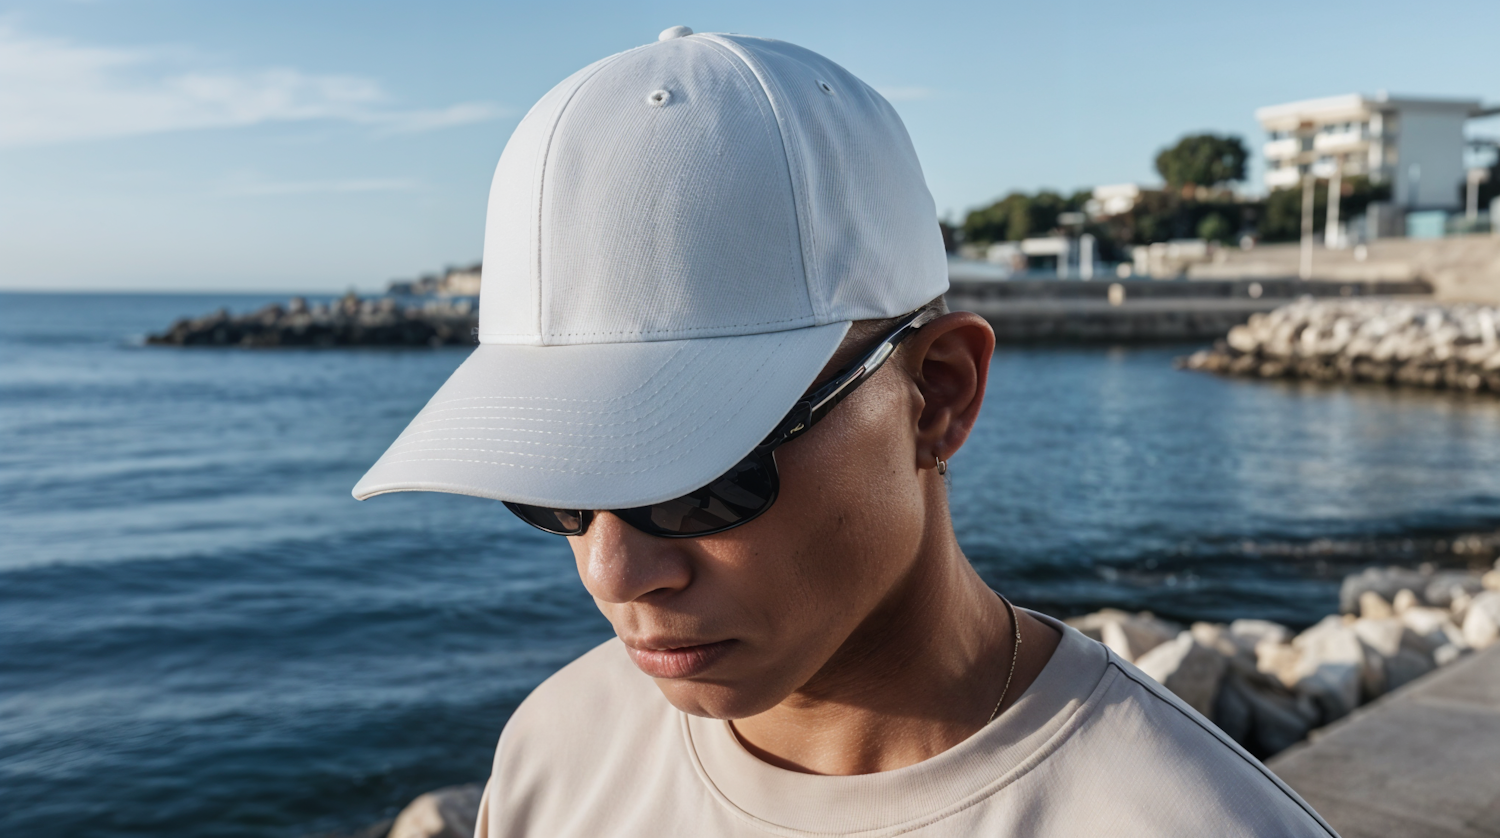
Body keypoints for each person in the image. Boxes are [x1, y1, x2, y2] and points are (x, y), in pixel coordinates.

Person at [355, 27, 1335, 838]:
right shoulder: (555, 753)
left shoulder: (1182, 820)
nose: (612, 570)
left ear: (937, 394)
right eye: (554, 483)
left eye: (701, 477)